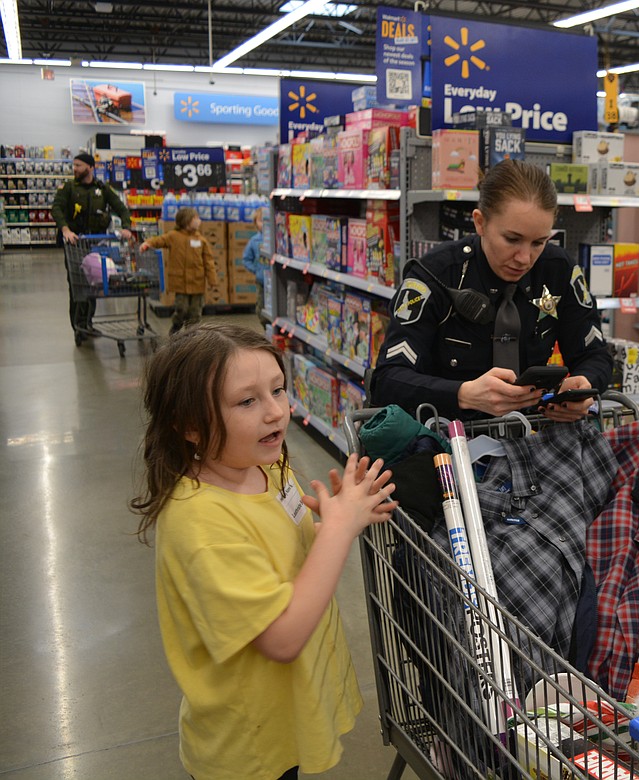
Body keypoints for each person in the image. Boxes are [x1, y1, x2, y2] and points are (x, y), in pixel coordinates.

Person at [130, 322, 397, 780]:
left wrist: (332, 522)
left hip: (283, 711)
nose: (276, 412)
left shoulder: (264, 469)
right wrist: (337, 531)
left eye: (278, 389)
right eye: (247, 401)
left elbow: (283, 551)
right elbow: (282, 638)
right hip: (247, 746)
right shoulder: (202, 523)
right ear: (190, 426)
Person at [370, 158, 613, 421]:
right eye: (512, 239)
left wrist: (584, 385)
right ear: (480, 222)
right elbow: (387, 379)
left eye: (539, 242)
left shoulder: (559, 270)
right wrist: (462, 394)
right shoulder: (434, 275)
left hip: (534, 436)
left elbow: (595, 354)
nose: (525, 258)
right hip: (446, 440)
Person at [50, 151, 133, 338]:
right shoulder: (69, 188)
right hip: (74, 244)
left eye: (78, 165)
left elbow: (121, 208)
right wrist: (65, 230)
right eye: (74, 165)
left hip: (95, 244)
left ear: (90, 167)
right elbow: (56, 208)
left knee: (95, 283)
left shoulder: (102, 189)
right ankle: (78, 327)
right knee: (77, 285)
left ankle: (88, 323)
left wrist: (126, 227)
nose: (75, 169)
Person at [140, 206, 220, 334]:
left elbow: (208, 262)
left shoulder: (201, 240)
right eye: (196, 218)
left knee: (195, 312)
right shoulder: (173, 236)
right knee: (181, 308)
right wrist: (147, 243)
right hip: (180, 283)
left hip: (197, 283)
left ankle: (192, 335)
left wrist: (212, 280)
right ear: (186, 220)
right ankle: (176, 326)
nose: (199, 221)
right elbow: (160, 240)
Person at [241, 207, 268, 320]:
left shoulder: (277, 238)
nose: (264, 224)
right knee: (261, 308)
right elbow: (246, 259)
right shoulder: (254, 241)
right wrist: (256, 270)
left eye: (266, 220)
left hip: (276, 281)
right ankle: (265, 326)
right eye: (261, 221)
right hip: (261, 281)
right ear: (255, 223)